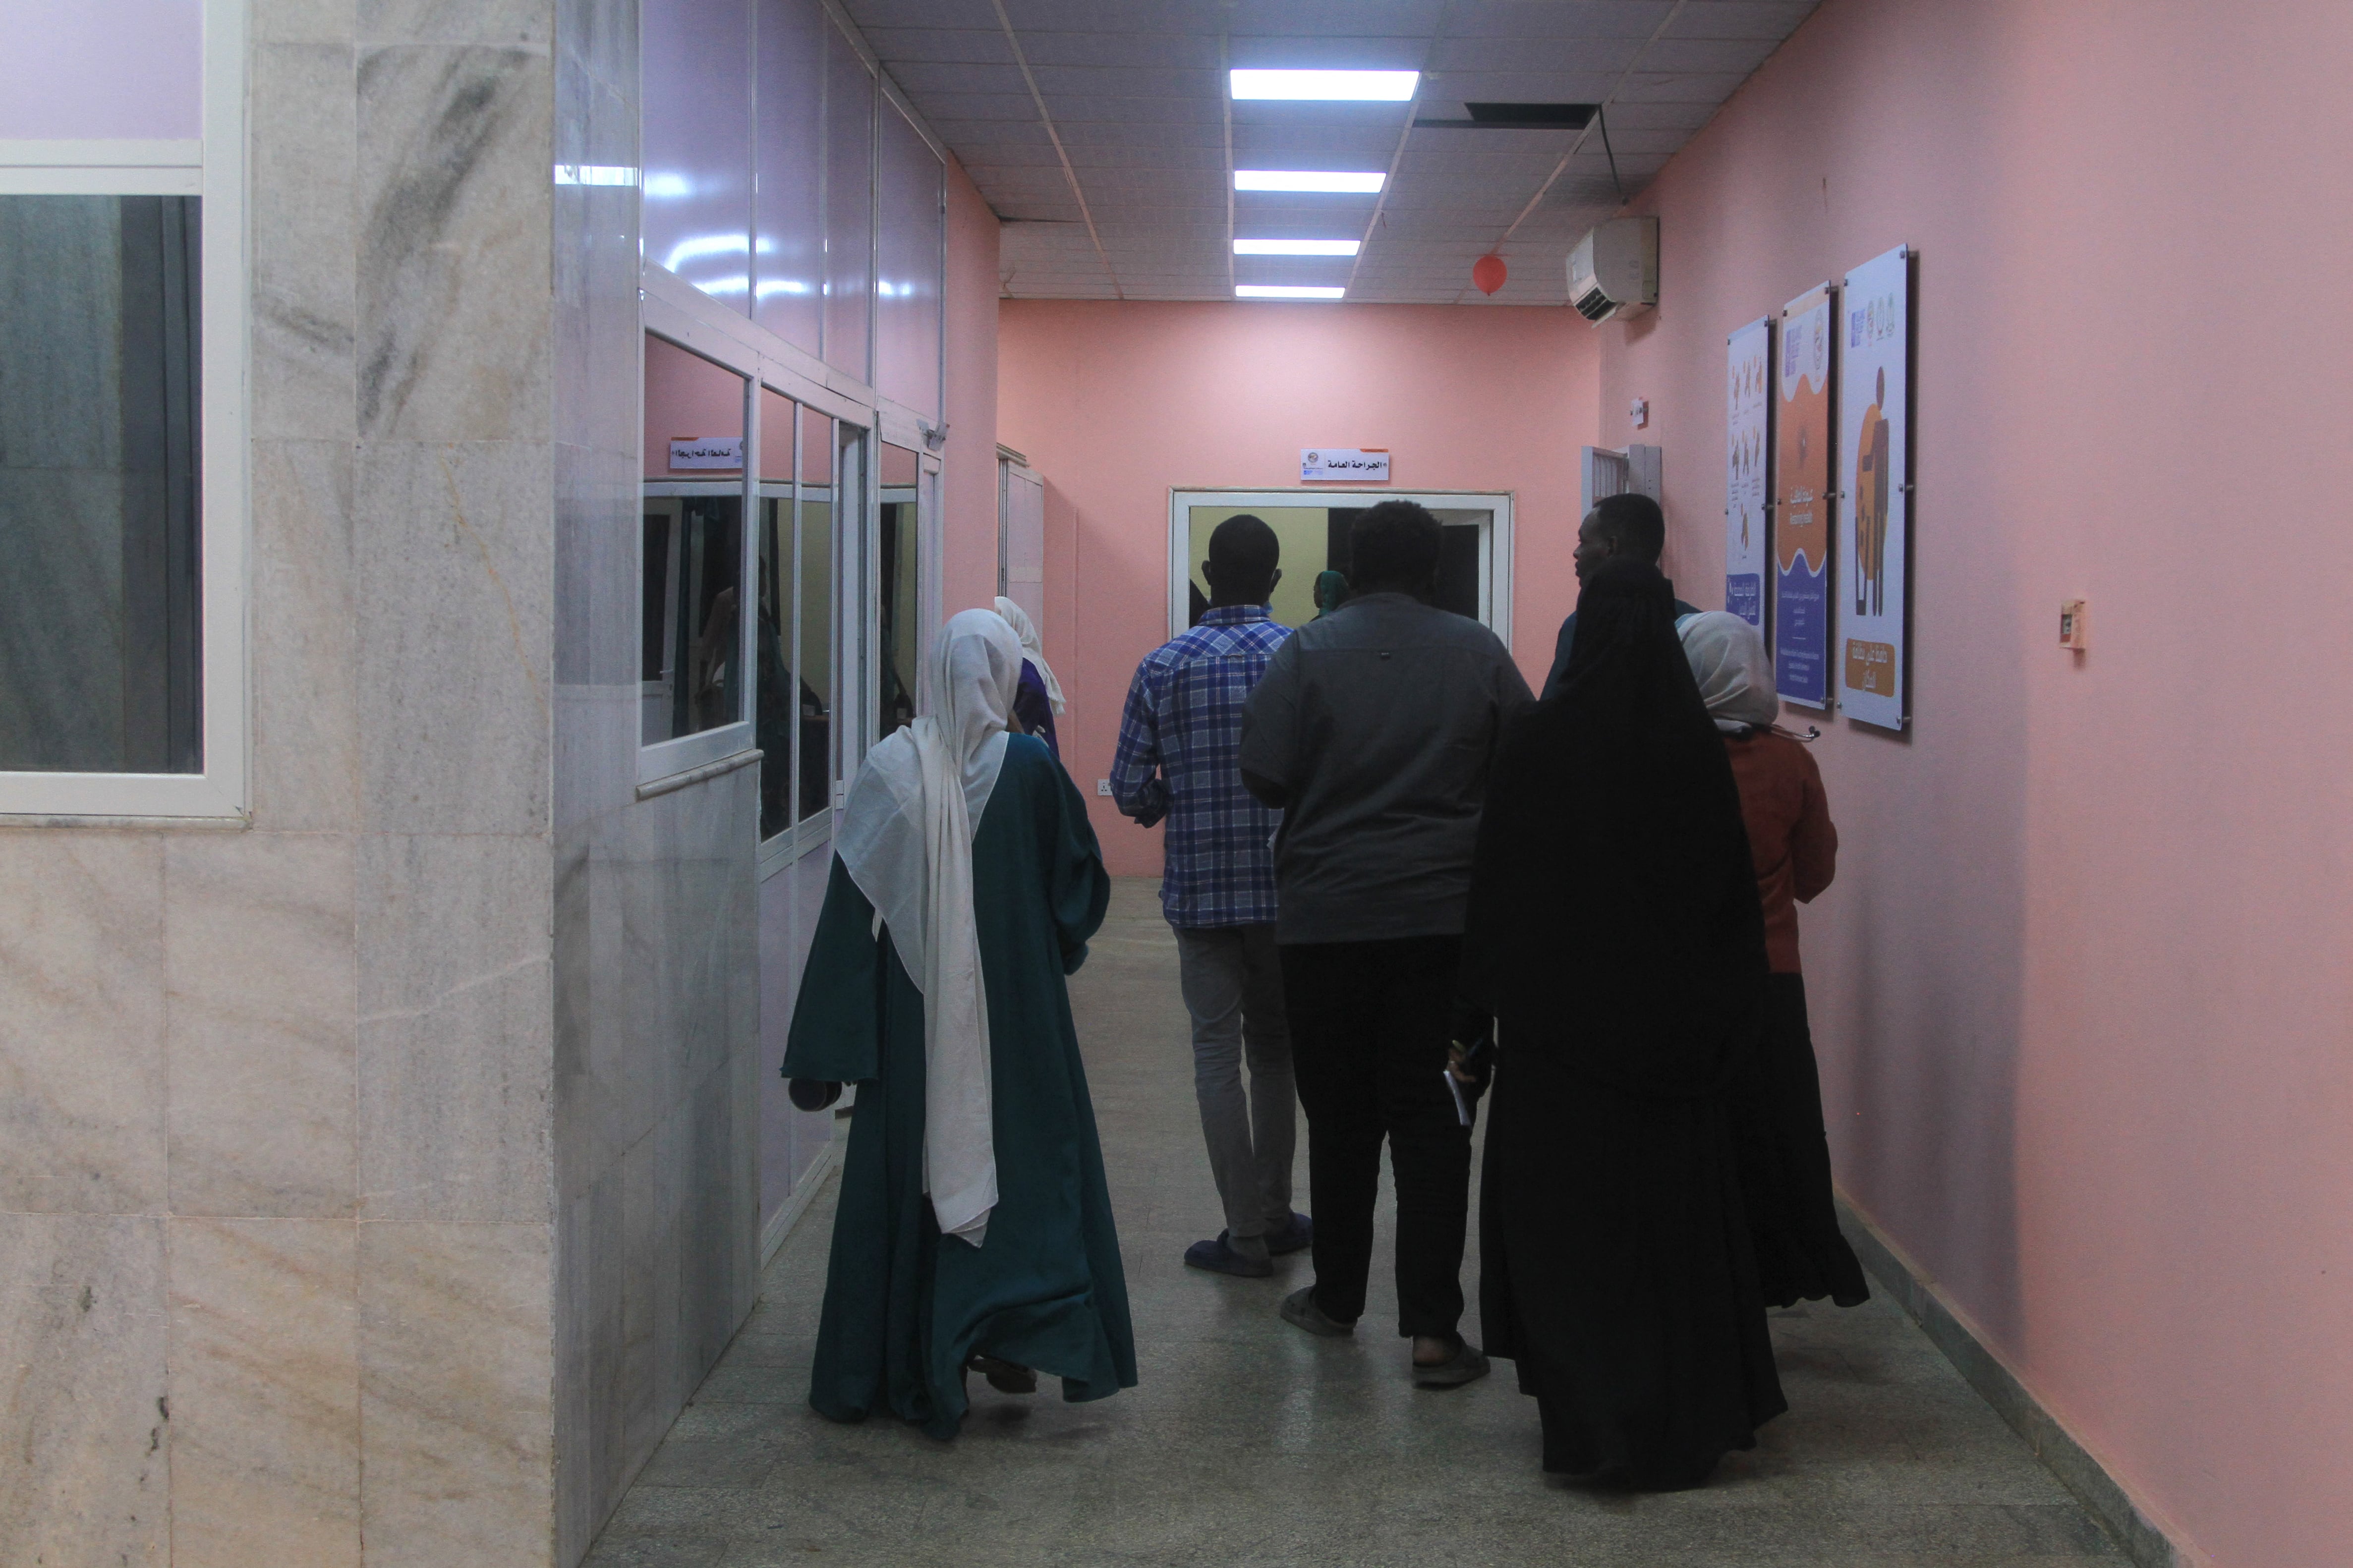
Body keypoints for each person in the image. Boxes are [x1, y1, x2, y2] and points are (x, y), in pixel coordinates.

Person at [1463, 559, 1785, 1487]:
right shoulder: (1692, 751)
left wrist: (1473, 1017)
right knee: (1667, 1238)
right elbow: (1728, 906)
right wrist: (1731, 1027)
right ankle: (1677, 1417)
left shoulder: (1538, 741)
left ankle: (1588, 1419)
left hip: (1557, 1047)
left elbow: (1496, 889)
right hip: (1670, 1049)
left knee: (1569, 1236)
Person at [781, 610, 1135, 1439]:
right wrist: (1050, 948)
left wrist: (828, 1050)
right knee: (1028, 1163)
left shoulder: (889, 768)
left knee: (913, 1168)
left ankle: (909, 1349)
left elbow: (849, 915)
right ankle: (1010, 1330)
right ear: (1006, 675)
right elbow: (1076, 891)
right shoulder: (1031, 767)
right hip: (1020, 1011)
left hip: (914, 1015)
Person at [1239, 500, 1531, 1388]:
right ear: (1432, 569)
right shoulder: (1478, 651)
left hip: (1324, 924)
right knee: (1435, 1119)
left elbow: (1264, 773)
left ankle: (1336, 1298)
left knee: (1340, 1116)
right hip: (1445, 929)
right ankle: (1435, 1333)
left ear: (1354, 566)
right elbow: (1526, 767)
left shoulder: (1304, 652)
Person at [1108, 514, 1309, 1278]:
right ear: (1275, 579)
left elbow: (1129, 787)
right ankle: (1277, 1213)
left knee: (1215, 1052)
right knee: (1275, 1051)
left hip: (1200, 892)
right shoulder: (1302, 656)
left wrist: (1176, 801)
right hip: (1286, 892)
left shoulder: (1162, 665)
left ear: (1205, 575)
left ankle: (1243, 1236)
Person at [1679, 611, 1868, 1309]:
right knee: (1773, 1129)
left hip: (1687, 978)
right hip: (1771, 978)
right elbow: (1815, 873)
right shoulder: (1793, 761)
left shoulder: (1667, 759)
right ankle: (1775, 1271)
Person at [1539, 492, 1698, 699]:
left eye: (1583, 542)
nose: (1576, 553)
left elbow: (1560, 706)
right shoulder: (1696, 625)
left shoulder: (1584, 624)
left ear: (1611, 548)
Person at [993, 595, 1065, 759]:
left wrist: (1016, 728)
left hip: (1024, 753)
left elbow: (1032, 689)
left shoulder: (1019, 660)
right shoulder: (1027, 657)